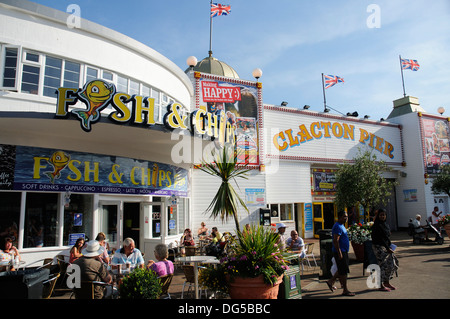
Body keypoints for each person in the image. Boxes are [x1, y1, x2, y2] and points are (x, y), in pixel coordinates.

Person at [326, 211, 355, 296]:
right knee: (343, 271)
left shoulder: (342, 226)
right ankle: (345, 290)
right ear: (339, 217)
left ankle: (331, 281)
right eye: (344, 216)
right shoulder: (337, 226)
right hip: (340, 251)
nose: (346, 218)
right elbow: (336, 240)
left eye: (346, 216)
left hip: (344, 251)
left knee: (343, 269)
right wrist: (339, 252)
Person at [371, 208, 398, 291]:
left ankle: (387, 281)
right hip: (379, 247)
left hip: (387, 247)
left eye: (384, 215)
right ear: (378, 216)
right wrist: (387, 248)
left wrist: (390, 245)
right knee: (382, 265)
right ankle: (380, 285)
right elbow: (380, 238)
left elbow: (386, 237)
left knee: (391, 264)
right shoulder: (377, 225)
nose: (382, 216)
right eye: (381, 215)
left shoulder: (385, 225)